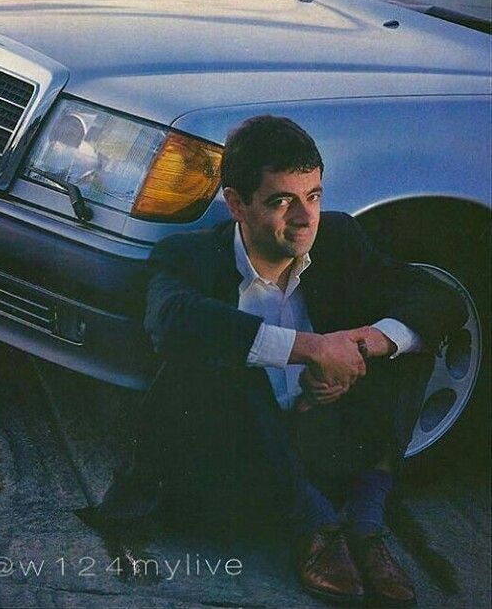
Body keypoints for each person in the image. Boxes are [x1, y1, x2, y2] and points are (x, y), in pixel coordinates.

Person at [85, 115, 467, 605]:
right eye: (282, 201)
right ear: (236, 203)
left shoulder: (338, 237)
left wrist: (359, 347)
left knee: (404, 340)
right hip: (228, 462)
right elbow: (171, 320)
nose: (305, 218)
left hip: (316, 443)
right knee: (219, 348)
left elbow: (438, 297)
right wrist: (311, 348)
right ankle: (316, 527)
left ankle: (365, 526)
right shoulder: (189, 257)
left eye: (313, 195)